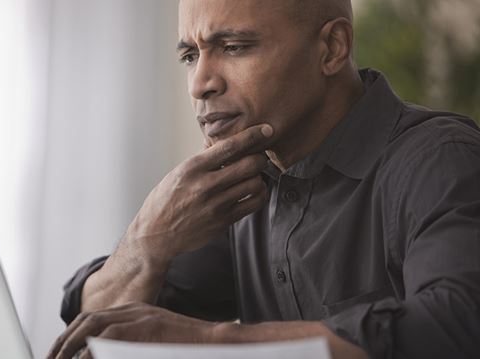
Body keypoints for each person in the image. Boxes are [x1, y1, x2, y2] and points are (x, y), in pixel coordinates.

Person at [49, 0, 480, 358]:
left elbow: (457, 324)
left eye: (234, 47)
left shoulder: (439, 160)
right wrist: (147, 239)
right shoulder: (245, 187)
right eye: (189, 55)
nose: (199, 83)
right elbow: (99, 324)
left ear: (332, 48)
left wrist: (209, 340)